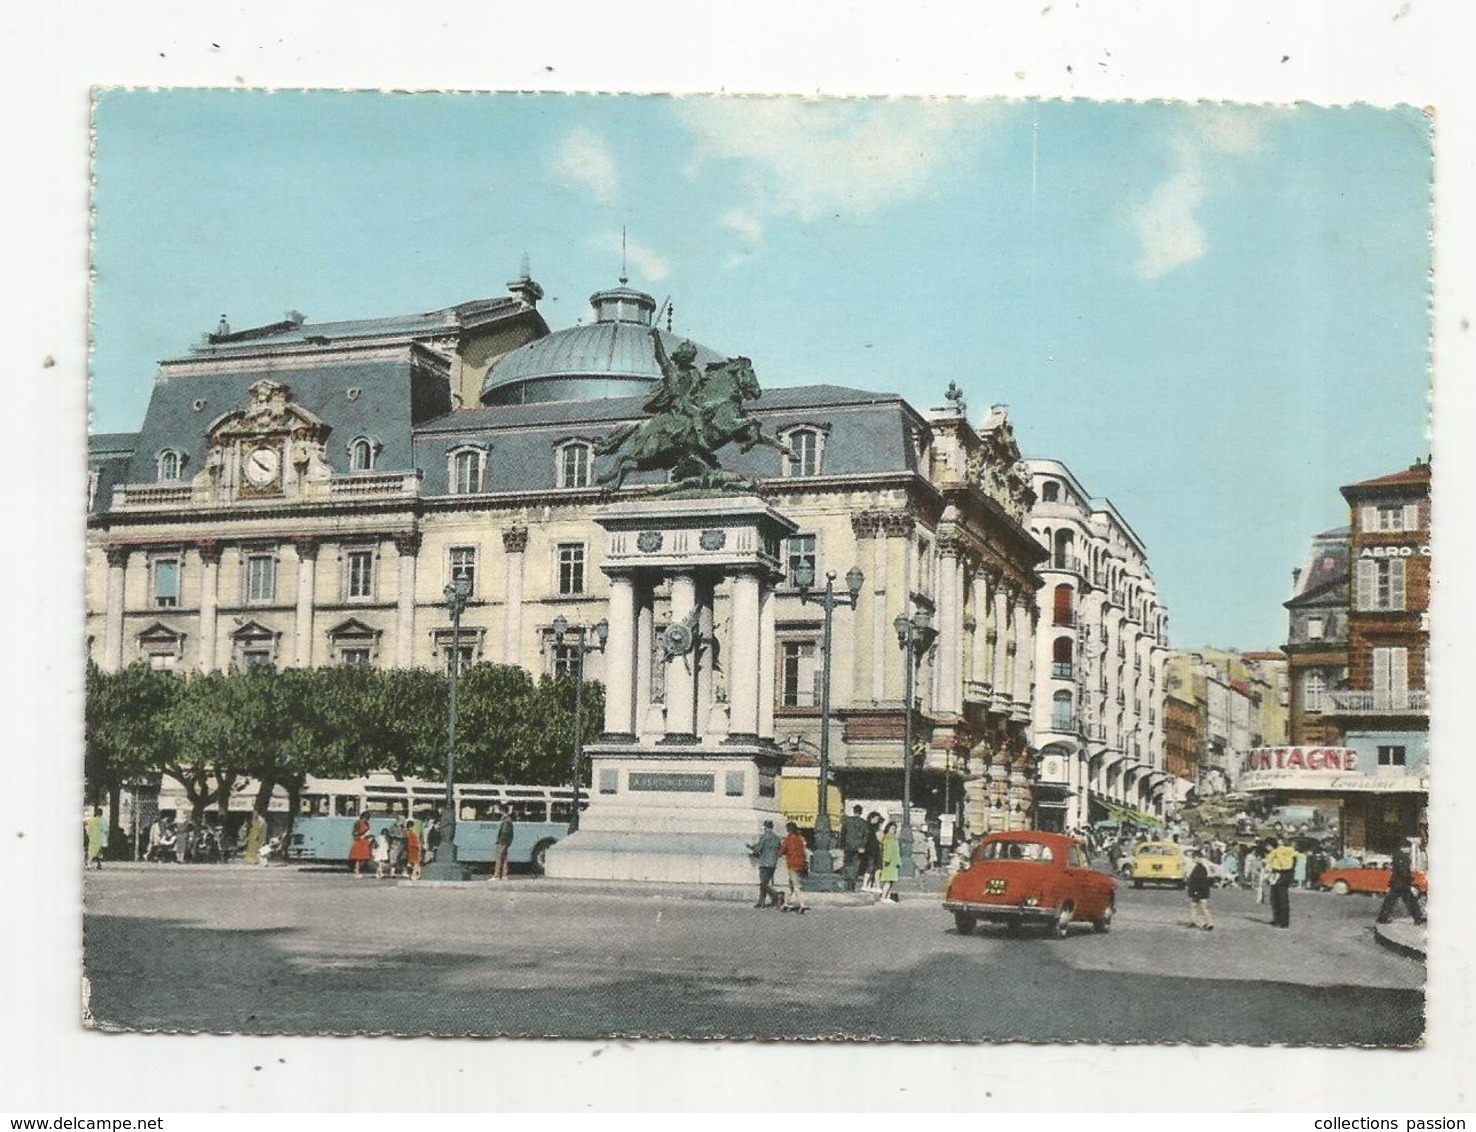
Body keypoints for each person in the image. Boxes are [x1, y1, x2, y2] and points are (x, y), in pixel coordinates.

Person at [1376, 841, 1427, 926]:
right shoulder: (1402, 857)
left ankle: (1382, 918)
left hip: (1397, 883)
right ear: (1404, 847)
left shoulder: (1398, 855)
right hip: (1402, 883)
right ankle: (1418, 918)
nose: (1409, 849)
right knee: (1411, 901)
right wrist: (1410, 878)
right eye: (1408, 847)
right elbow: (1403, 870)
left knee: (1390, 901)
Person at [747, 820, 782, 908]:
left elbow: (758, 849)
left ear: (765, 827)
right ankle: (761, 902)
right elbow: (779, 850)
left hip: (764, 862)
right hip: (773, 862)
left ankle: (776, 895)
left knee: (763, 884)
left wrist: (751, 847)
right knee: (765, 883)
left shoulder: (764, 837)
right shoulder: (777, 838)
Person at [1265, 836, 1296, 928]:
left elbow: (1284, 865)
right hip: (1281, 875)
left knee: (1280, 899)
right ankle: (1278, 920)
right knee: (1277, 899)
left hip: (1281, 875)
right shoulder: (1285, 852)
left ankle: (1283, 922)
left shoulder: (1279, 852)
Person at [778, 821, 809, 913]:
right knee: (791, 885)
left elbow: (782, 851)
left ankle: (802, 905)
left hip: (792, 864)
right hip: (801, 863)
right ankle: (786, 904)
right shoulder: (800, 838)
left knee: (795, 886)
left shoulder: (788, 839)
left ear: (788, 830)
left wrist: (778, 851)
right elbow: (804, 850)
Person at [838, 805, 869, 891]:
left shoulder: (847, 822)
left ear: (854, 811)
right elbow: (865, 836)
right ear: (861, 812)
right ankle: (852, 883)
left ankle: (848, 882)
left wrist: (842, 845)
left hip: (848, 846)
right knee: (856, 865)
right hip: (858, 847)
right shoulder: (864, 823)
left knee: (847, 864)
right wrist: (863, 846)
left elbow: (843, 834)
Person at [1185, 852, 1215, 931]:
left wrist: (1196, 891)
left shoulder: (1201, 867)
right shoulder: (1200, 866)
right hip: (1201, 890)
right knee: (1193, 905)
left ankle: (1210, 923)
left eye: (1194, 858)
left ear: (1197, 857)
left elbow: (1199, 881)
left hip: (1201, 890)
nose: (1193, 859)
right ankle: (1192, 921)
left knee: (1203, 907)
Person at [877, 821, 901, 904]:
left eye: (894, 829)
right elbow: (887, 850)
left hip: (894, 862)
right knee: (888, 880)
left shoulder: (893, 838)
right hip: (889, 862)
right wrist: (886, 859)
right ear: (888, 829)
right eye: (892, 828)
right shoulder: (887, 838)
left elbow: (896, 851)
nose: (893, 830)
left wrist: (898, 861)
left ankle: (887, 896)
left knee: (891, 881)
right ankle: (883, 897)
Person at [862, 813, 883, 891]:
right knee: (870, 867)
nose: (877, 821)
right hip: (871, 850)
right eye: (876, 819)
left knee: (873, 867)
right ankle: (865, 884)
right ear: (871, 818)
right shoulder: (868, 827)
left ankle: (869, 885)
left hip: (873, 850)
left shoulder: (871, 827)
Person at [494, 807, 516, 880]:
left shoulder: (505, 821)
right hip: (506, 842)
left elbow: (504, 832)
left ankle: (497, 875)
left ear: (502, 811)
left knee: (499, 858)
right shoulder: (508, 820)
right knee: (504, 858)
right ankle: (504, 875)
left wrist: (499, 841)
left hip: (502, 842)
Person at [349, 812, 372, 877]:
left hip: (365, 841)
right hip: (359, 841)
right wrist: (362, 834)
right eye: (366, 818)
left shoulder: (367, 823)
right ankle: (357, 871)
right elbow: (354, 833)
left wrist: (368, 836)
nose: (366, 820)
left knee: (364, 858)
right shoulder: (357, 823)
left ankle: (357, 870)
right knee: (358, 858)